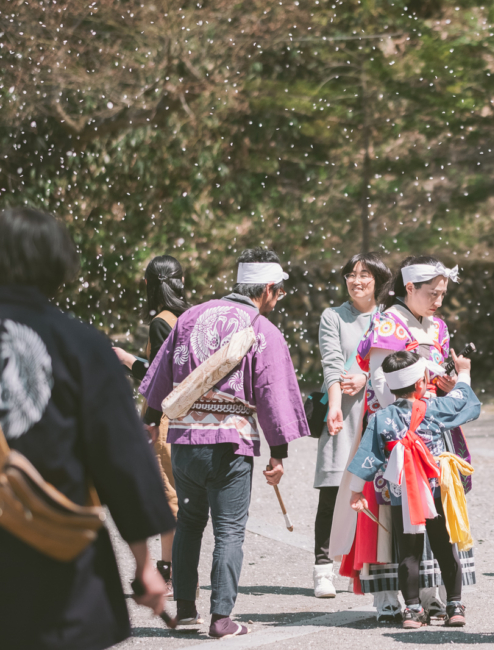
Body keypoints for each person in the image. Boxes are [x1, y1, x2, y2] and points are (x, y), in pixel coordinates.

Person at [0, 207, 174, 650]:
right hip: (54, 554)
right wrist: (144, 564)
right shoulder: (82, 344)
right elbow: (120, 456)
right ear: (59, 263)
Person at [140, 248, 309, 639]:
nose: (278, 299)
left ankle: (184, 612)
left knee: (189, 525)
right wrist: (278, 453)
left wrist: (149, 422)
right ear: (267, 289)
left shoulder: (191, 316)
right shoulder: (261, 329)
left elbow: (159, 377)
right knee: (230, 530)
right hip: (230, 444)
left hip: (184, 440)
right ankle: (221, 619)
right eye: (279, 292)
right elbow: (272, 393)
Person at [333, 255, 475, 622]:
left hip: (427, 428)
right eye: (432, 293)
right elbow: (382, 383)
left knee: (431, 519)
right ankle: (389, 597)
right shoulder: (388, 325)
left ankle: (429, 594)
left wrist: (442, 386)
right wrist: (409, 418)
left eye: (443, 293)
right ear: (409, 287)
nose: (438, 301)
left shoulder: (438, 327)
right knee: (392, 518)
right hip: (397, 432)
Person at [347, 350, 479, 629]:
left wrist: (356, 491)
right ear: (421, 384)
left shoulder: (381, 418)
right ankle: (455, 606)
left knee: (409, 552)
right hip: (436, 489)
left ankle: (412, 610)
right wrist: (464, 371)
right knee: (445, 546)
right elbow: (462, 399)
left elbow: (367, 456)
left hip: (404, 493)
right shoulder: (433, 409)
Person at [311, 253, 391, 598]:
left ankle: (366, 567)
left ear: (379, 280)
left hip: (379, 414)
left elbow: (398, 363)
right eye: (351, 275)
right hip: (343, 412)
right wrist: (333, 405)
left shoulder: (390, 318)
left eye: (365, 275)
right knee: (334, 491)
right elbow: (331, 362)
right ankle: (323, 569)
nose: (357, 281)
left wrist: (366, 378)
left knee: (377, 492)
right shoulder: (333, 317)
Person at [111, 254, 191, 595]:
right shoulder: (190, 317)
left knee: (169, 498)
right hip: (193, 417)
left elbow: (161, 378)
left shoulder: (162, 322)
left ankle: (170, 573)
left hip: (168, 420)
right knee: (186, 498)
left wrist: (127, 359)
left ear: (149, 285)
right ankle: (177, 571)